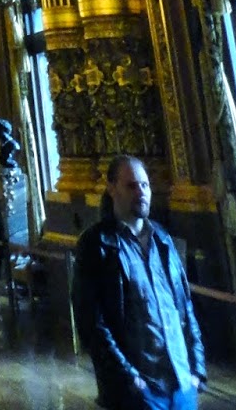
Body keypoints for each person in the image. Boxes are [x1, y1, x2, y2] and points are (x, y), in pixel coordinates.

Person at [73, 155, 207, 410]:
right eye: (131, 186)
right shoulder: (96, 244)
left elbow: (185, 307)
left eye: (144, 185)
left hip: (181, 382)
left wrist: (197, 368)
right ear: (112, 188)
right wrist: (128, 377)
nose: (141, 192)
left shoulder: (163, 240)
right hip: (139, 389)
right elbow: (92, 321)